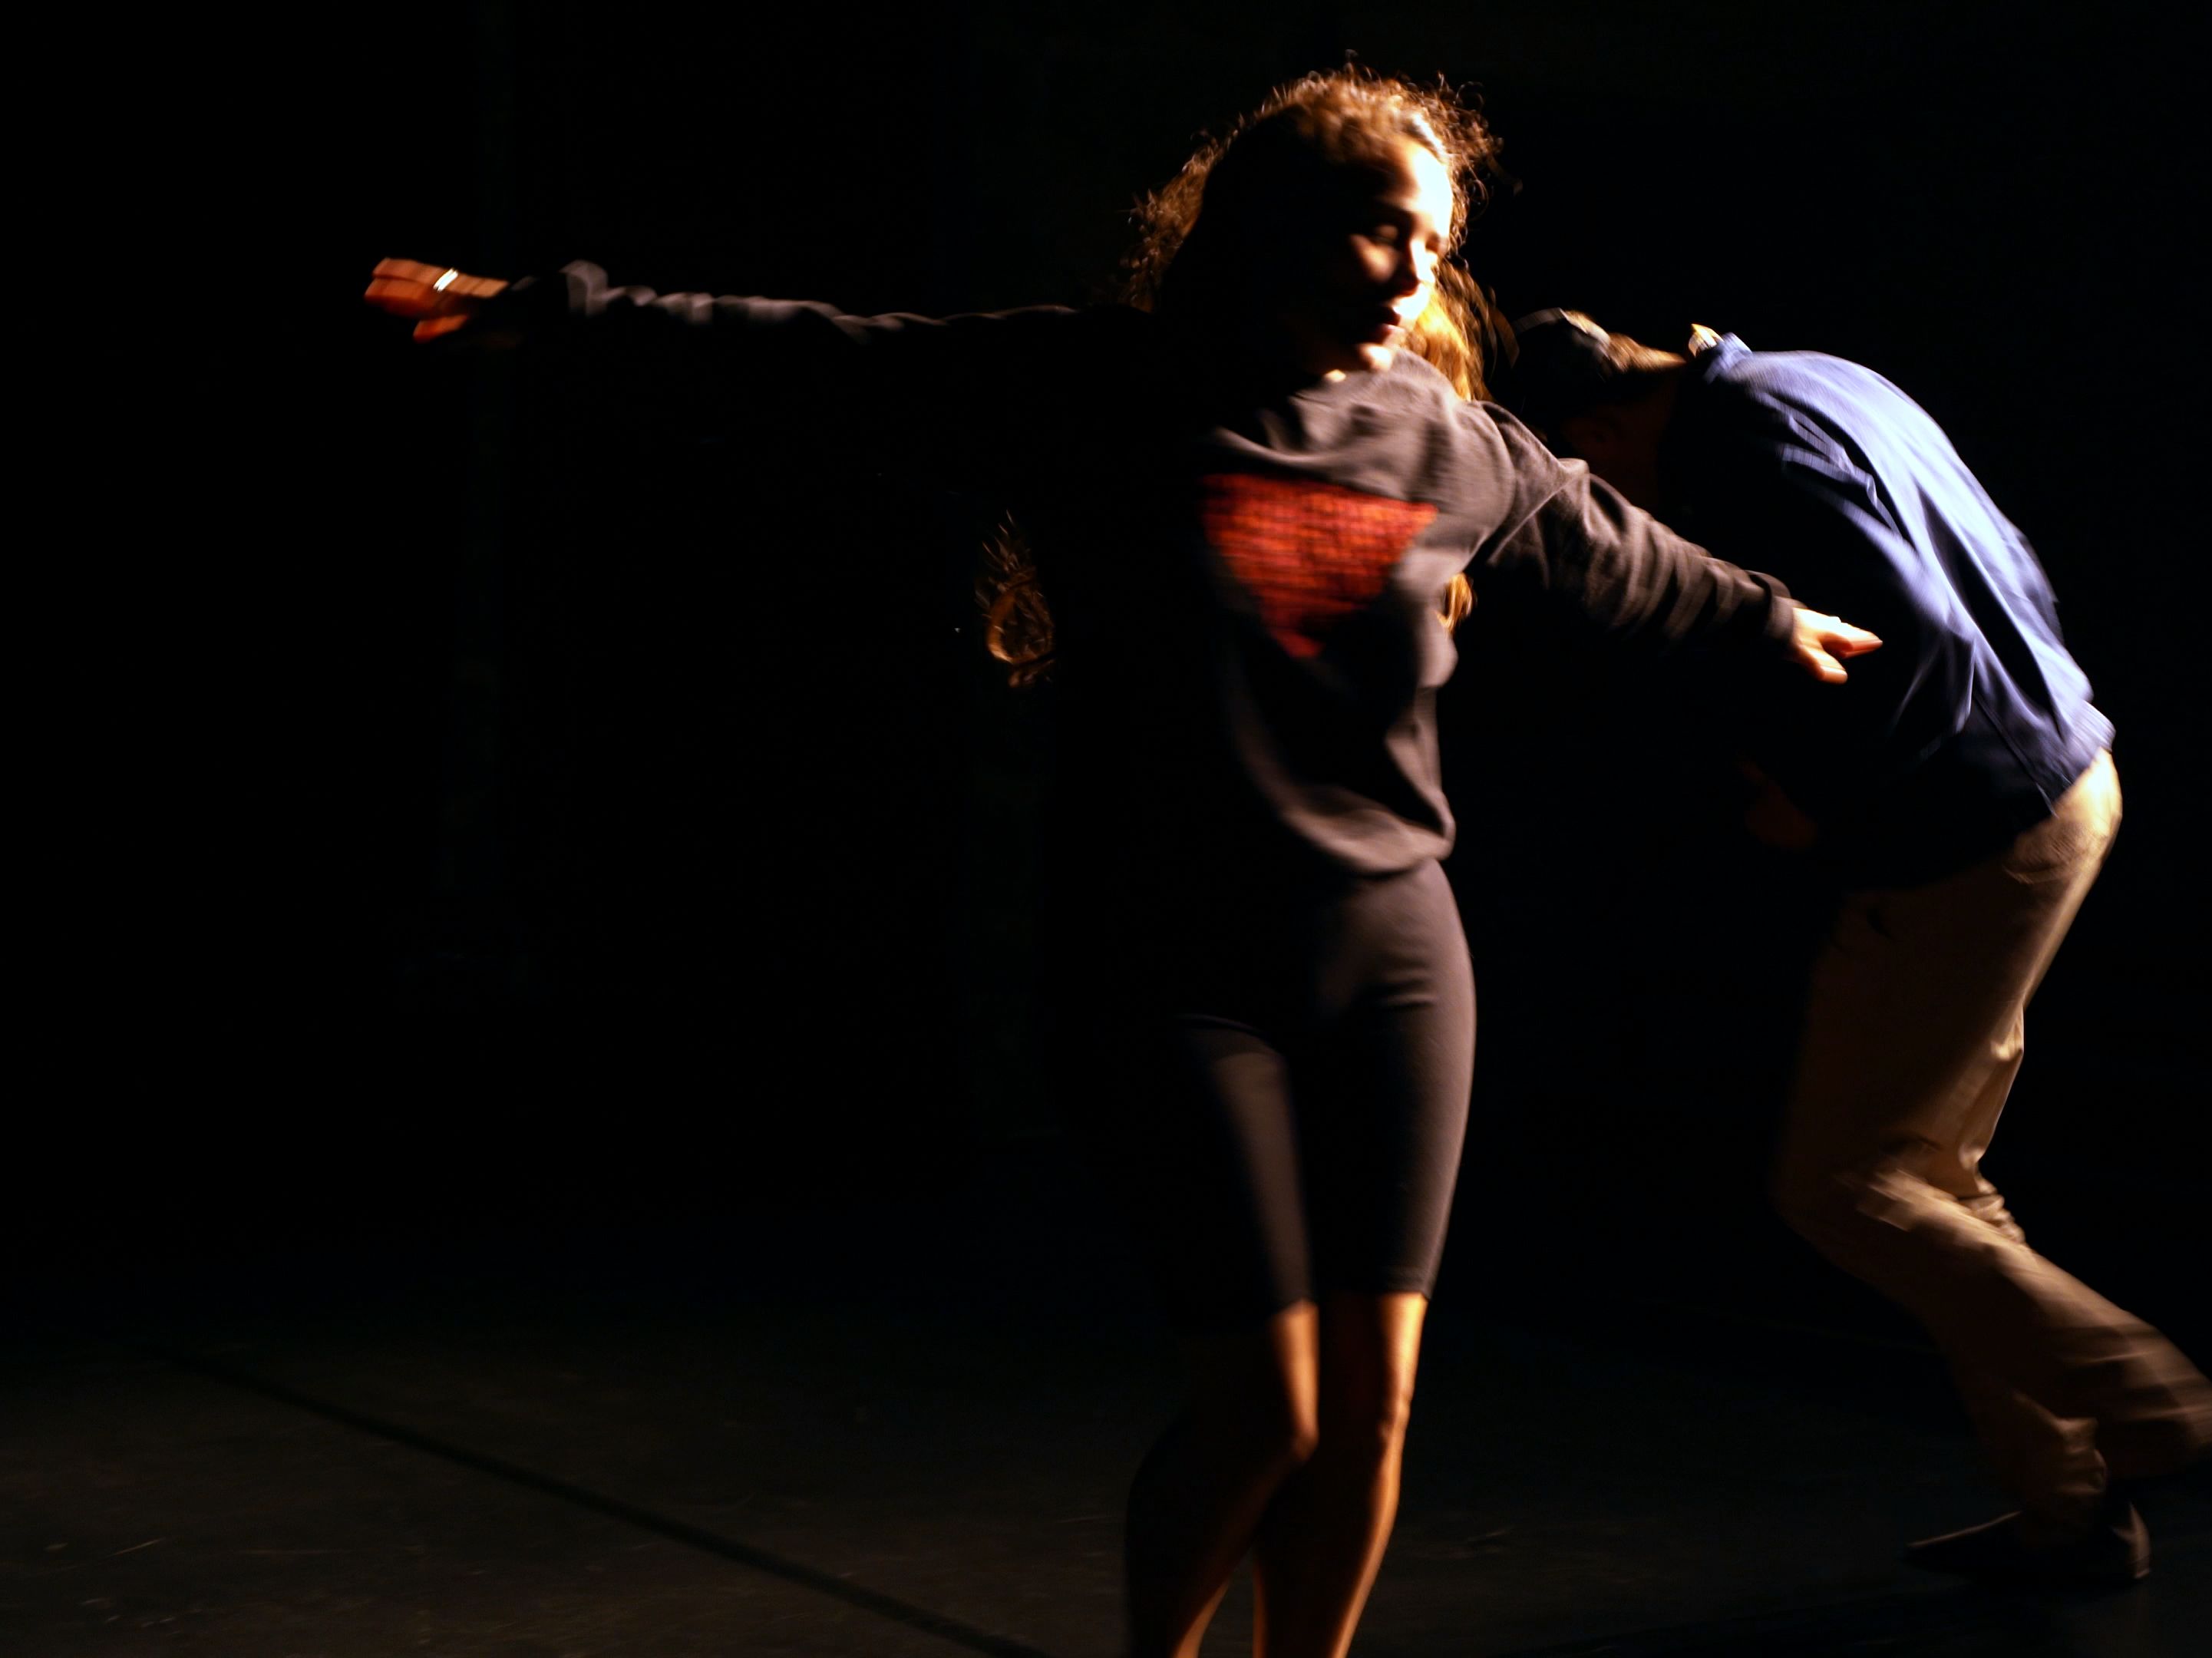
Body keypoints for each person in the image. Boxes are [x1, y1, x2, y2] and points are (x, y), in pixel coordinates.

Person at [365, 71, 1879, 1658]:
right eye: (1379, 232)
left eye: (1433, 245)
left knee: (1373, 1408)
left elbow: (1608, 545)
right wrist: (554, 310)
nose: (1413, 276)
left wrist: (1770, 617)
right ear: (1276, 229)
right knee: (1268, 1409)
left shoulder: (1444, 440)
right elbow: (819, 355)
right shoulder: (1096, 390)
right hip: (1173, 958)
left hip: (1395, 959)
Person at [1497, 309, 2212, 1589]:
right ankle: (2067, 1512)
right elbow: (2007, 565)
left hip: (1979, 830)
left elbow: (1914, 634)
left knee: (1844, 1185)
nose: (1617, 505)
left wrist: (1821, 798)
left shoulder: (1744, 449)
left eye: (1592, 473)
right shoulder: (1818, 377)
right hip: (2057, 780)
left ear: (1600, 428)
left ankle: (2149, 1403)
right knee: (1931, 1173)